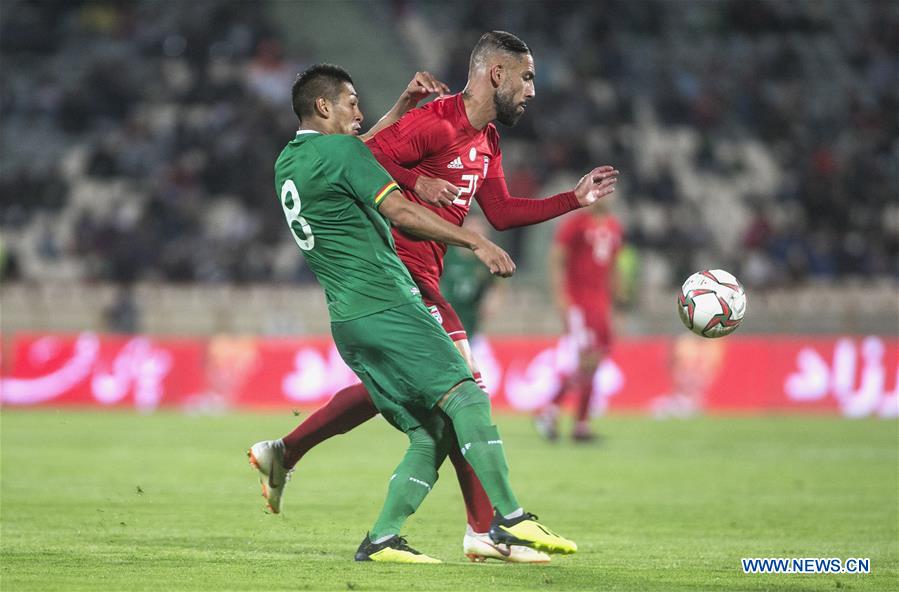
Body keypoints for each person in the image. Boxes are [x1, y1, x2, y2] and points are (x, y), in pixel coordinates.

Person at [263, 31, 619, 563]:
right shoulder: (437, 121)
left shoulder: (488, 141)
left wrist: (575, 197)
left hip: (422, 274)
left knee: (412, 400)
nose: (532, 90)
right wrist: (418, 184)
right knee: (463, 392)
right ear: (496, 74)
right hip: (400, 273)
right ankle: (493, 526)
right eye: (526, 77)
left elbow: (500, 212)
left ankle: (289, 454)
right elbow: (365, 157)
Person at [534, 195, 624, 442]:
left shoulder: (614, 227)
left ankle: (578, 424)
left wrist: (615, 306)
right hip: (579, 302)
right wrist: (561, 296)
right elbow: (556, 257)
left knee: (595, 361)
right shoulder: (576, 223)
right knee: (587, 359)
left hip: (601, 304)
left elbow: (613, 267)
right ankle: (551, 411)